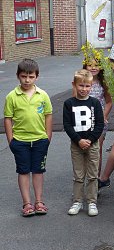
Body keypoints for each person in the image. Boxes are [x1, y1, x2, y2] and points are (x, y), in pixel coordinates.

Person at [4, 59, 53, 217]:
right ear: (18, 76)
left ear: (37, 77)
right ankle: (27, 203)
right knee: (23, 171)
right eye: (24, 76)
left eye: (31, 77)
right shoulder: (12, 96)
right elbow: (8, 119)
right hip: (20, 141)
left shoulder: (43, 95)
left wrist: (47, 137)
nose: (27, 80)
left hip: (40, 139)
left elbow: (48, 116)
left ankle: (39, 201)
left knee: (38, 171)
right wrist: (11, 140)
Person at [63, 69, 104, 217]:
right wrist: (78, 140)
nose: (84, 89)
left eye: (87, 86)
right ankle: (77, 201)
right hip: (76, 144)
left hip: (92, 144)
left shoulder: (95, 103)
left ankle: (92, 201)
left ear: (91, 86)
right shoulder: (69, 103)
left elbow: (100, 124)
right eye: (81, 86)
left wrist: (91, 140)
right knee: (78, 175)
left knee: (93, 174)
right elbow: (67, 125)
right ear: (74, 85)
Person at [82, 56, 112, 177]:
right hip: (84, 121)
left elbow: (109, 102)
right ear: (85, 66)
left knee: (96, 151)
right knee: (83, 150)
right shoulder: (82, 82)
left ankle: (95, 180)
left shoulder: (103, 82)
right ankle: (83, 178)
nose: (93, 68)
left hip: (99, 122)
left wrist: (103, 115)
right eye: (90, 65)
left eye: (96, 65)